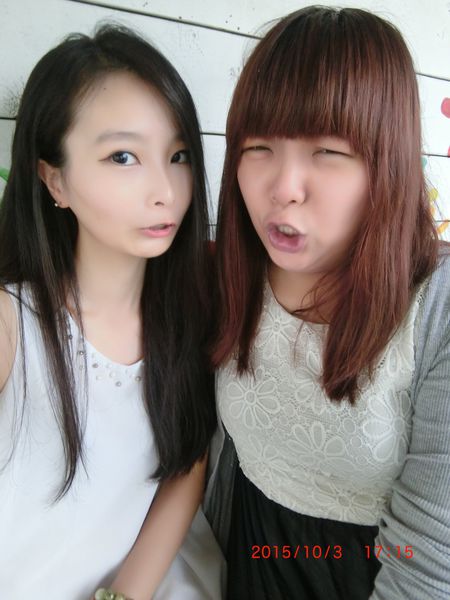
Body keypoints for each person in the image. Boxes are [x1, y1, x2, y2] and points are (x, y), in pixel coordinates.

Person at [205, 6, 450, 600]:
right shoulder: (231, 274)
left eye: (328, 151)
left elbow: (430, 563)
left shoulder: (435, 309)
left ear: (387, 163)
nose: (283, 188)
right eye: (258, 146)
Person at [0, 25, 224, 600]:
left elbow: (187, 465)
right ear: (55, 179)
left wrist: (124, 596)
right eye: (123, 156)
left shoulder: (192, 316)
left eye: (177, 156)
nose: (165, 190)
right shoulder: (12, 324)